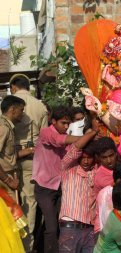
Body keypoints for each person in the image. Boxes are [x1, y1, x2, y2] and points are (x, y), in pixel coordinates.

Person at [32, 106, 80, 253]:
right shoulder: (46, 132)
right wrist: (85, 137)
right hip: (45, 187)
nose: (66, 127)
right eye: (63, 123)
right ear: (53, 121)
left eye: (68, 123)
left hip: (60, 186)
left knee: (59, 225)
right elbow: (59, 140)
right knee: (52, 228)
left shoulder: (68, 136)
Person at [10, 74, 48, 251]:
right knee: (29, 204)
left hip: (9, 159)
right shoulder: (40, 105)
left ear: (14, 87)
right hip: (31, 159)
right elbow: (45, 137)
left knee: (11, 201)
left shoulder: (9, 103)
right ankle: (27, 245)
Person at [58, 130, 99, 253]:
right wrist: (94, 131)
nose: (86, 161)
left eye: (89, 158)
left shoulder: (96, 172)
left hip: (90, 229)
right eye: (83, 158)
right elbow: (77, 146)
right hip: (70, 228)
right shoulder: (68, 168)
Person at [0, 96, 28, 201]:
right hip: (4, 179)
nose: (23, 113)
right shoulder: (3, 127)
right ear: (12, 109)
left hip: (8, 176)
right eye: (21, 110)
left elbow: (7, 155)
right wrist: (8, 180)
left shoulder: (7, 126)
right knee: (12, 215)